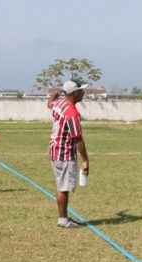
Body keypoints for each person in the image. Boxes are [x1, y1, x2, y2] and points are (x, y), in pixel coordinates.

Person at [47, 80, 90, 229]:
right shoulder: (71, 112)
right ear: (75, 93)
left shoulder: (59, 104)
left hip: (55, 150)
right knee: (63, 188)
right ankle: (63, 220)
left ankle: (64, 217)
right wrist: (85, 160)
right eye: (81, 91)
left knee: (62, 186)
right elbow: (77, 139)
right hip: (64, 154)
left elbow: (50, 104)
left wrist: (54, 95)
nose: (83, 93)